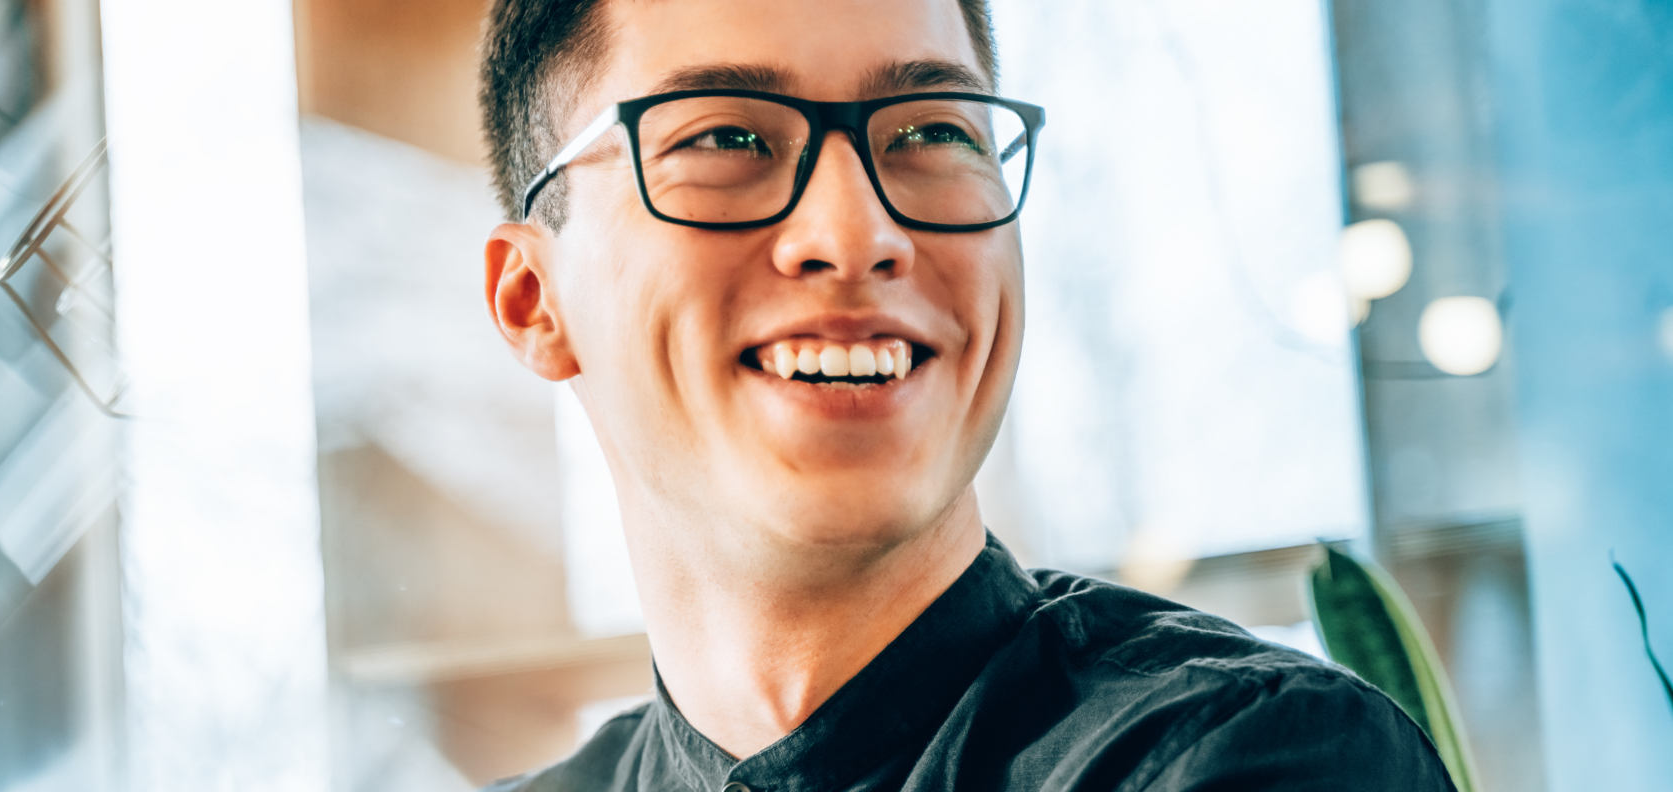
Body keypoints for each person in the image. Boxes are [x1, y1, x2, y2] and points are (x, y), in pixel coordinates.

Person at [475, 0, 1456, 789]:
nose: (856, 234)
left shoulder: (1246, 755)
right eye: (727, 136)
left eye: (930, 131)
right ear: (534, 302)